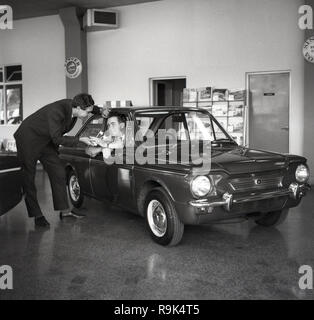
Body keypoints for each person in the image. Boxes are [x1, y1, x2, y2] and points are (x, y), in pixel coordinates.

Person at [14, 94, 96, 228]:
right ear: (78, 108)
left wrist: (102, 111)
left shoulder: (76, 107)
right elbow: (57, 139)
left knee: (58, 172)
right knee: (28, 177)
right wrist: (80, 140)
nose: (88, 114)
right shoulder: (56, 112)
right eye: (86, 112)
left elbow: (91, 108)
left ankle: (65, 211)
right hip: (28, 140)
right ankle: (37, 215)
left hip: (46, 141)